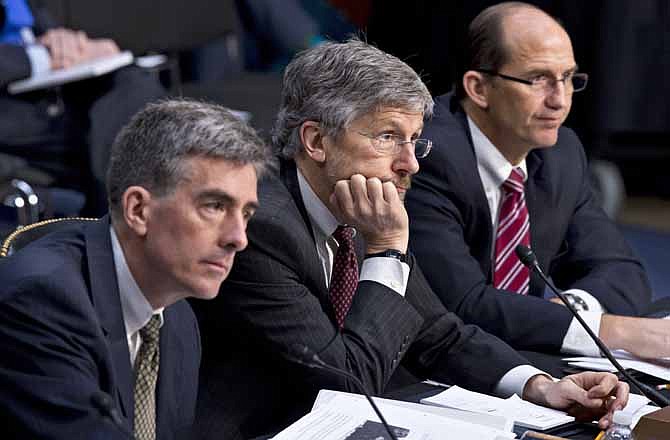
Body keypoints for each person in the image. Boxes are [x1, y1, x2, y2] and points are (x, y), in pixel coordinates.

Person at [192, 38, 628, 440]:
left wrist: (540, 386)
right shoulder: (261, 226)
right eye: (387, 137)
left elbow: (438, 333)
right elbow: (348, 382)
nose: (409, 164)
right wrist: (386, 251)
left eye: (415, 141)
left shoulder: (360, 209)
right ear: (317, 140)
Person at [406, 2, 670, 360]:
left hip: (521, 362)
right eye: (538, 80)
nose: (560, 100)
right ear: (478, 88)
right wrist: (613, 330)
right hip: (425, 369)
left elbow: (621, 269)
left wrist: (570, 312)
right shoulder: (425, 155)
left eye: (568, 78)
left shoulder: (560, 152)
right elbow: (461, 304)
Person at [0, 99, 270, 439]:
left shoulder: (179, 319)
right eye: (215, 206)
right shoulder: (39, 303)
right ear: (139, 210)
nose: (238, 238)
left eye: (246, 214)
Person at [0, 0, 165, 214]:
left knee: (132, 82)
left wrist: (72, 44)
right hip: (11, 105)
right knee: (113, 129)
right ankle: (123, 227)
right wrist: (44, 56)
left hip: (51, 83)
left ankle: (145, 220)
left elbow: (40, 27)